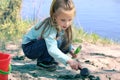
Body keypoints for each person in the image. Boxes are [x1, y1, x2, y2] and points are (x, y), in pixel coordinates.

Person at [22, 0, 82, 71]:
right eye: (63, 20)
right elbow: (52, 49)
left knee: (64, 39)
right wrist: (69, 60)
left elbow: (62, 40)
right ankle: (43, 61)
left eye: (69, 20)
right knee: (49, 41)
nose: (66, 24)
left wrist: (71, 50)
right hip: (29, 48)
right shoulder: (49, 27)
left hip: (40, 44)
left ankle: (50, 59)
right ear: (54, 16)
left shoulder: (61, 24)